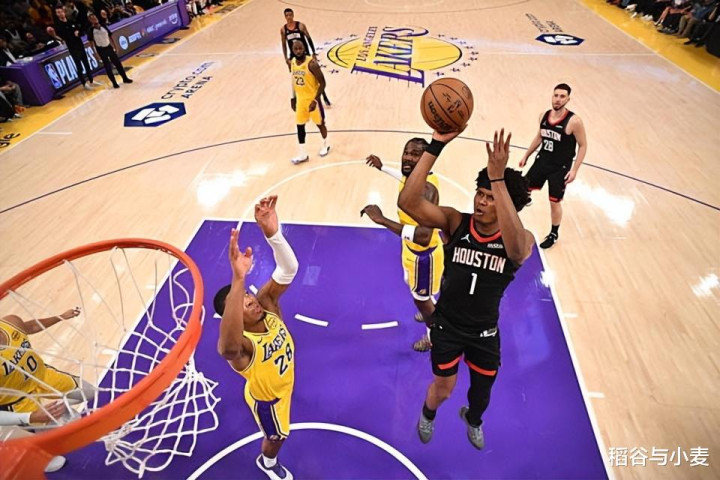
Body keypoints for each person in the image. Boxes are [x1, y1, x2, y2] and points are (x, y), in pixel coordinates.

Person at [398, 128, 533, 450]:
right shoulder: (456, 222)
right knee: (443, 389)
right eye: (480, 194)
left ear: (508, 204)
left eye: (491, 196)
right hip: (448, 326)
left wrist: (499, 179)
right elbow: (408, 202)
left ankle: (473, 420)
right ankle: (428, 414)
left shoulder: (521, 239)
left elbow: (517, 251)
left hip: (484, 333)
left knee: (481, 395)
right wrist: (436, 145)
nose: (482, 201)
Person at [215, 196, 298, 480]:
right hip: (270, 400)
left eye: (247, 295)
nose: (250, 300)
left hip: (283, 382)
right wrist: (238, 280)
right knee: (277, 437)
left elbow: (288, 270)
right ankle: (268, 462)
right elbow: (227, 349)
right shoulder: (244, 347)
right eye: (241, 302)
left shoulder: (267, 304)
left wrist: (273, 234)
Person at [361, 138, 444, 352]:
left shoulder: (426, 190)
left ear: (425, 161)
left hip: (424, 256)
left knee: (421, 300)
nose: (407, 157)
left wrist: (382, 220)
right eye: (406, 152)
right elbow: (403, 178)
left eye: (415, 155)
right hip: (410, 250)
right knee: (414, 288)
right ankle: (427, 303)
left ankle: (434, 337)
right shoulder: (413, 178)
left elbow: (424, 236)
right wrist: (383, 168)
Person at [0, 307, 97, 472]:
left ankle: (55, 415)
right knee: (53, 462)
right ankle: (32, 444)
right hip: (17, 401)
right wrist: (31, 417)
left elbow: (31, 326)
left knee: (89, 392)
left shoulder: (10, 322)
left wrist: (60, 316)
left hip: (42, 377)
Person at [518, 83, 587, 249]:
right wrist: (527, 155)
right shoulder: (543, 116)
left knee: (554, 202)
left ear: (568, 99)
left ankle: (554, 233)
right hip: (542, 161)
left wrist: (574, 170)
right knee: (521, 190)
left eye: (562, 96)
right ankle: (512, 217)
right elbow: (539, 137)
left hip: (560, 168)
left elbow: (583, 145)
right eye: (556, 95)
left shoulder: (574, 121)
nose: (558, 99)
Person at [289, 39, 330, 165]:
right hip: (301, 100)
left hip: (313, 100)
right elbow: (294, 81)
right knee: (300, 126)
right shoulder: (293, 62)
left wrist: (315, 100)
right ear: (292, 50)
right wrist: (293, 97)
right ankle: (303, 154)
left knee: (320, 124)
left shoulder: (312, 64)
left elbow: (323, 83)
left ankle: (325, 144)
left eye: (300, 48)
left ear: (304, 49)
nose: (298, 51)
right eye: (295, 49)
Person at [281, 7, 331, 107]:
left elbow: (309, 39)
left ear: (293, 15)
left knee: (316, 76)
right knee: (296, 77)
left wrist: (313, 53)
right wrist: (286, 58)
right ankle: (297, 99)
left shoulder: (300, 26)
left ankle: (324, 96)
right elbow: (283, 44)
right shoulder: (283, 30)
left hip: (305, 55)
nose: (289, 17)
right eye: (287, 15)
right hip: (294, 57)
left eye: (290, 15)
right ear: (285, 17)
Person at [53, 4, 100, 91]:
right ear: (56, 14)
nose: (60, 14)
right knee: (79, 66)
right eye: (58, 12)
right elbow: (63, 36)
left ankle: (91, 80)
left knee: (86, 63)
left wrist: (78, 32)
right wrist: (72, 34)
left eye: (61, 11)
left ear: (64, 12)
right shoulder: (58, 25)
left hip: (79, 44)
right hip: (72, 47)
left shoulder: (71, 21)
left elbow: (79, 30)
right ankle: (84, 83)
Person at [87, 12, 133, 89]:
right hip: (101, 49)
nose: (95, 19)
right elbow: (91, 43)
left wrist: (115, 46)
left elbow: (110, 36)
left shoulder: (103, 26)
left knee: (118, 63)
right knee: (108, 67)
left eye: (95, 17)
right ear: (90, 20)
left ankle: (125, 78)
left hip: (109, 47)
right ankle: (114, 83)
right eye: (92, 18)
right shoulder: (91, 30)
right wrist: (95, 54)